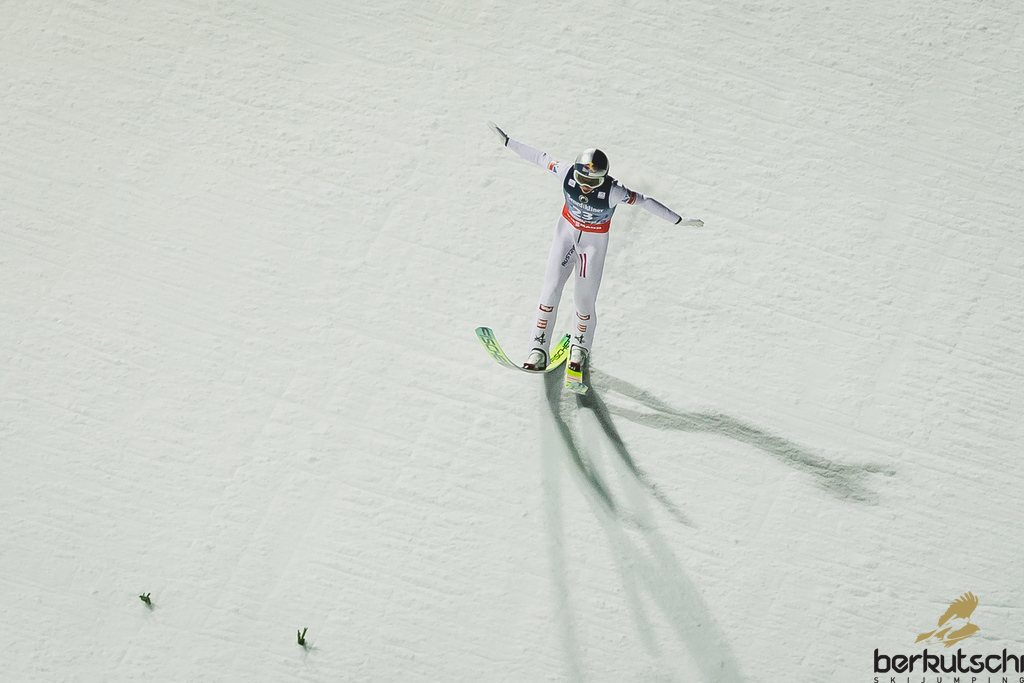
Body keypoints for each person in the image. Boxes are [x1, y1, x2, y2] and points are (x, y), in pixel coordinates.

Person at [487, 122, 704, 375]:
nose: (586, 186)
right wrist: (508, 142)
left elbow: (644, 201)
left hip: (592, 246)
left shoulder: (613, 191)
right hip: (566, 236)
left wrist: (678, 220)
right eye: (582, 179)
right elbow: (541, 158)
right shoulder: (566, 173)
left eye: (593, 181)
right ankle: (537, 348)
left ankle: (580, 347)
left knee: (583, 300)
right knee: (550, 291)